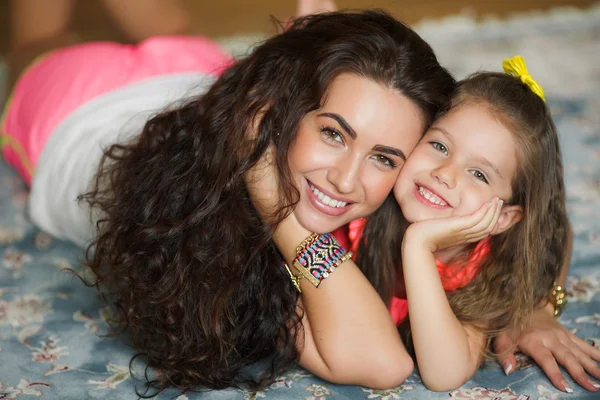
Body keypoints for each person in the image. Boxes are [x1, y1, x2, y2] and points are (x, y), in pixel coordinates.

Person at [0, 9, 456, 393]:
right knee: (40, 38)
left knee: (171, 24)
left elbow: (384, 358)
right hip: (73, 104)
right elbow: (382, 362)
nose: (345, 180)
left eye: (383, 157)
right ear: (276, 113)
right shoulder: (194, 219)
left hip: (197, 70)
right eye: (333, 133)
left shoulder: (260, 116)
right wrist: (270, 197)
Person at [257, 56, 600, 394]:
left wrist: (419, 247)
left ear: (505, 217)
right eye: (438, 145)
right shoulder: (368, 196)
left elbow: (444, 374)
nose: (444, 174)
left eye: (479, 174)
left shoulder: (483, 269)